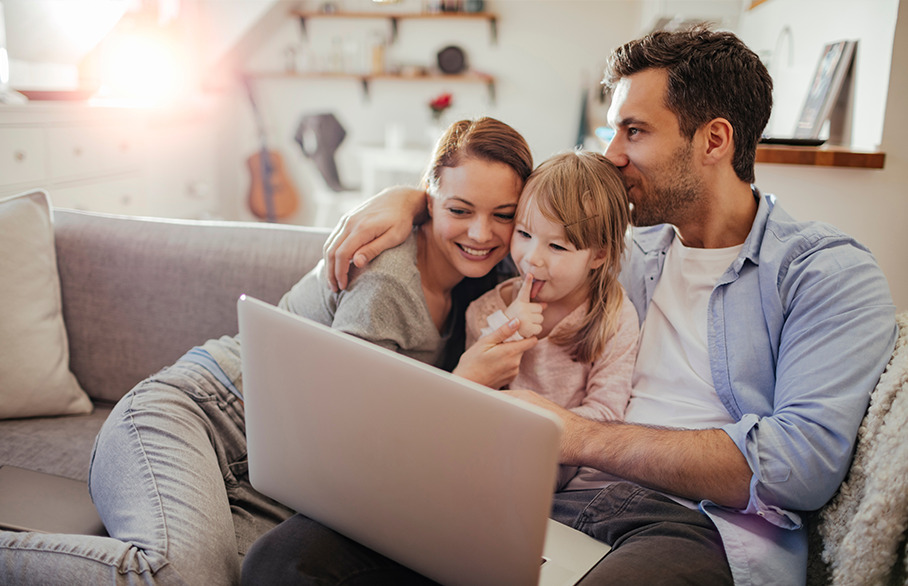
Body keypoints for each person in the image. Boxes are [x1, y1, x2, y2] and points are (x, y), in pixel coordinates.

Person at [270, 26, 897, 585]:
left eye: (634, 131)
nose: (611, 153)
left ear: (714, 140)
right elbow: (515, 219)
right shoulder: (618, 249)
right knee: (291, 556)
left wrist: (575, 435)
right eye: (612, 129)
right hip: (540, 494)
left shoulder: (824, 273)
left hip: (688, 526)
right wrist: (415, 200)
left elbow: (799, 465)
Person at [0, 117, 535, 586]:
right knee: (181, 576)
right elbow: (350, 434)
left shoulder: (490, 283)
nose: (481, 233)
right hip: (196, 414)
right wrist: (465, 382)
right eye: (459, 209)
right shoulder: (389, 277)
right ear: (429, 198)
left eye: (504, 215)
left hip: (271, 479)